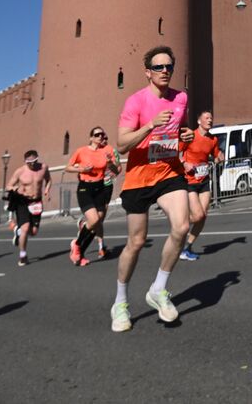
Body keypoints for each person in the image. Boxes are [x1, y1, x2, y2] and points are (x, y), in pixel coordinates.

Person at [110, 45, 194, 331]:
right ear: (147, 72)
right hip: (138, 177)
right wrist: (148, 126)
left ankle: (159, 288)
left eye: (169, 66)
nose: (165, 71)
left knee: (182, 226)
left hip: (169, 171)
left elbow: (178, 130)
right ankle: (120, 302)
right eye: (159, 67)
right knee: (135, 242)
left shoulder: (181, 97)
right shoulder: (135, 102)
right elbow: (121, 144)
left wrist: (187, 134)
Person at [68, 128, 120, 265]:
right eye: (97, 134)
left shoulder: (107, 151)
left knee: (97, 223)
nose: (100, 136)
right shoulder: (82, 151)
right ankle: (77, 244)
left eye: (102, 134)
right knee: (94, 219)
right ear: (91, 138)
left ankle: (80, 253)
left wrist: (110, 163)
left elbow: (116, 171)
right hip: (85, 188)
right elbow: (68, 167)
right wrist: (81, 169)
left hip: (100, 188)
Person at [179, 110, 222, 261]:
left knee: (203, 216)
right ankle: (179, 225)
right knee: (197, 215)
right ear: (199, 121)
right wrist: (184, 163)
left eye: (211, 117)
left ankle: (187, 248)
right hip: (190, 181)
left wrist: (219, 157)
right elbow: (177, 153)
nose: (210, 120)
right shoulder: (191, 136)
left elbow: (216, 156)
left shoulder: (213, 139)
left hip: (204, 180)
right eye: (206, 118)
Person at [6, 150, 52, 266]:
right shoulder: (20, 171)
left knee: (33, 232)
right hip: (22, 201)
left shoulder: (43, 168)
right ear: (25, 161)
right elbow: (8, 186)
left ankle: (18, 230)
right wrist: (16, 189)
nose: (32, 164)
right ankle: (23, 255)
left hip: (36, 201)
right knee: (26, 228)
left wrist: (47, 190)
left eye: (34, 161)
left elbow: (49, 180)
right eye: (29, 162)